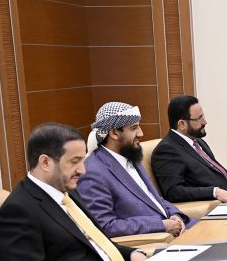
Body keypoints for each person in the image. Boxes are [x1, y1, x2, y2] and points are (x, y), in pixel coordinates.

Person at [0, 123, 147, 261]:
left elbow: (97, 245)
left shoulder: (68, 192)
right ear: (45, 162)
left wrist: (132, 255)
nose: (83, 170)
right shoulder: (18, 212)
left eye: (83, 160)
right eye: (74, 161)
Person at [77, 102, 194, 238]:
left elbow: (154, 199)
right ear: (114, 133)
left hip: (178, 229)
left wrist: (175, 215)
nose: (141, 133)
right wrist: (162, 225)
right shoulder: (93, 172)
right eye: (134, 128)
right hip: (156, 239)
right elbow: (106, 226)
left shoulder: (130, 156)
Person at [152, 95, 227, 203]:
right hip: (218, 207)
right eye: (199, 118)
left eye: (203, 116)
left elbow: (220, 176)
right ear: (182, 124)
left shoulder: (198, 142)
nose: (205, 122)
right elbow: (174, 192)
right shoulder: (167, 150)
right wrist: (214, 192)